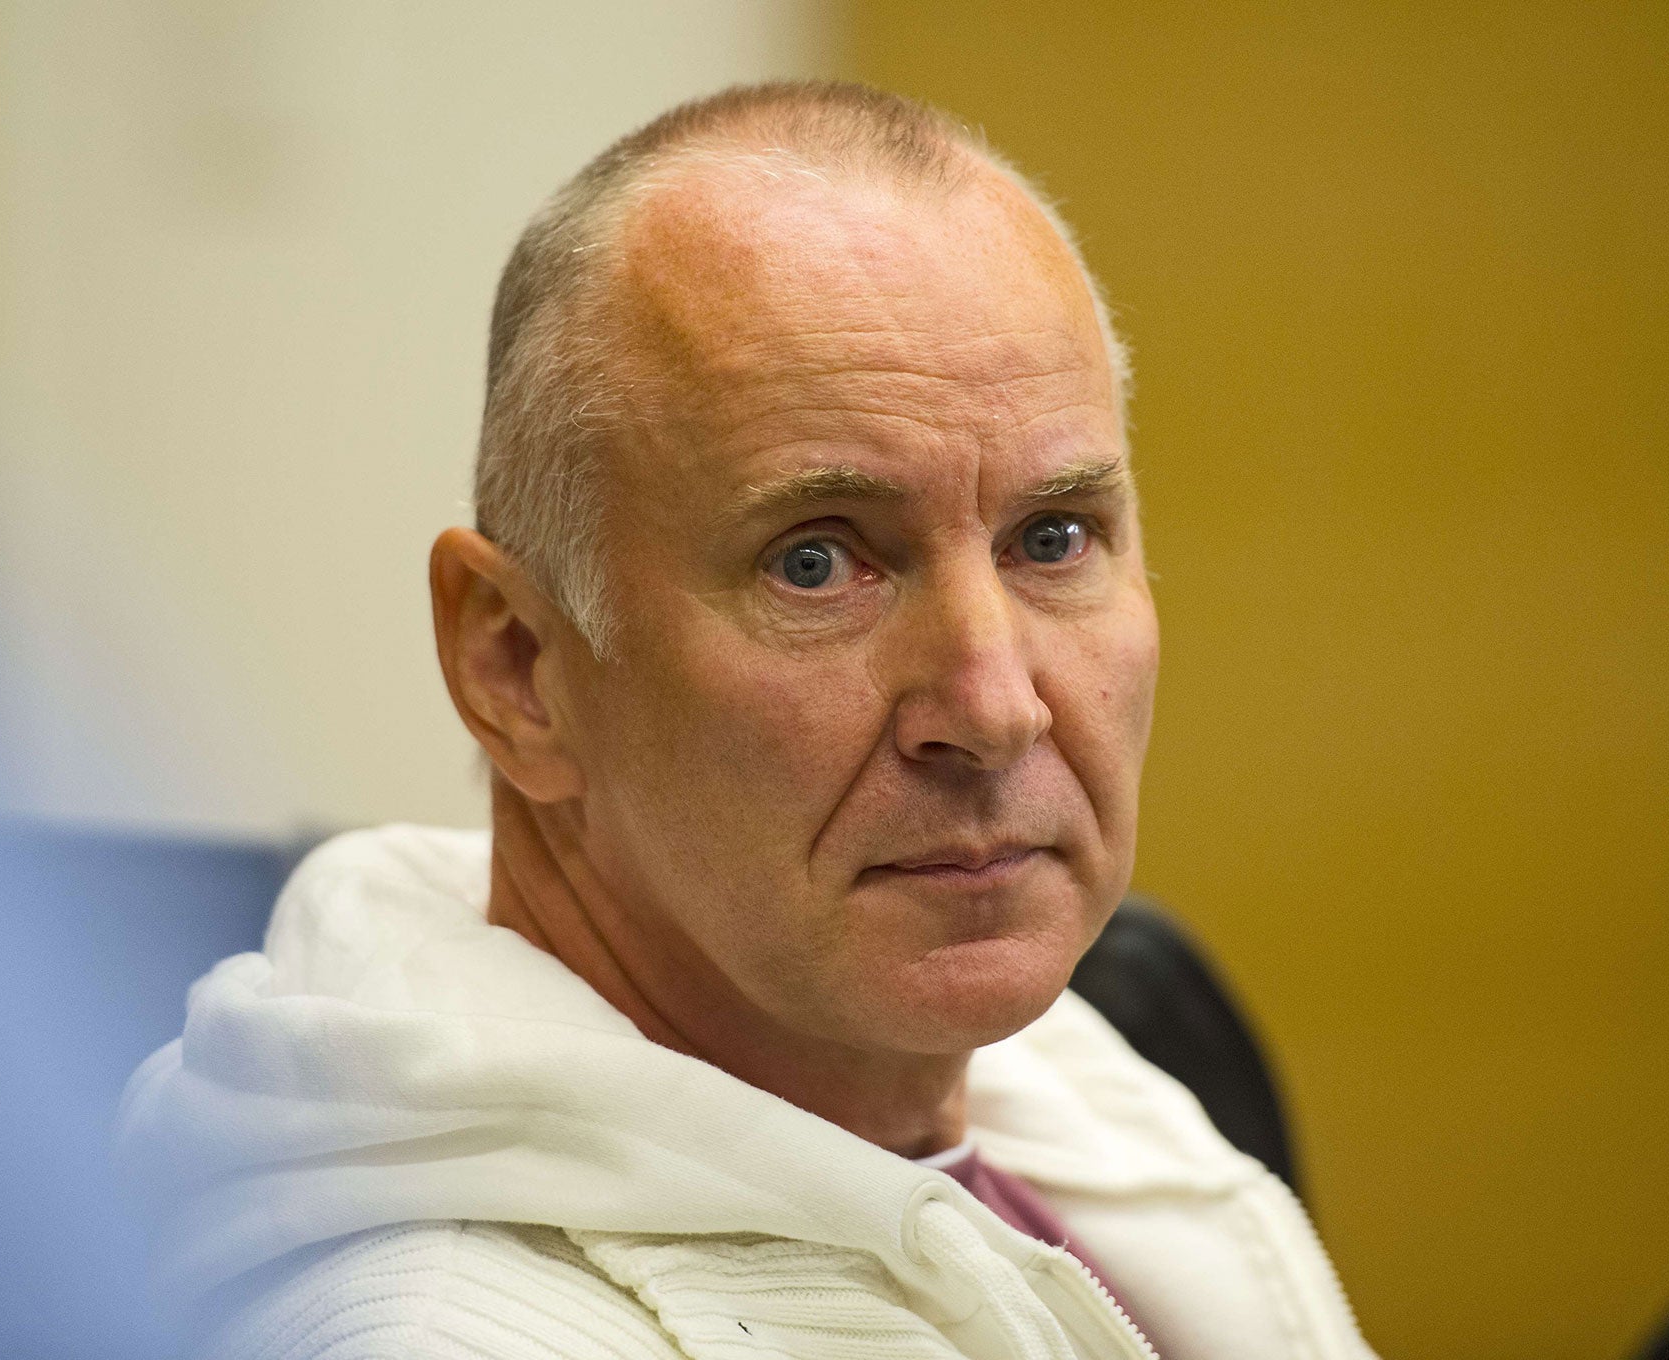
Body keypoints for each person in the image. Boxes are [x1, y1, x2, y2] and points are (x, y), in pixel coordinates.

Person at [118, 81, 1377, 1360]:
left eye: (1051, 538)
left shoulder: (1080, 1092)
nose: (995, 708)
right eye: (817, 563)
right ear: (517, 664)